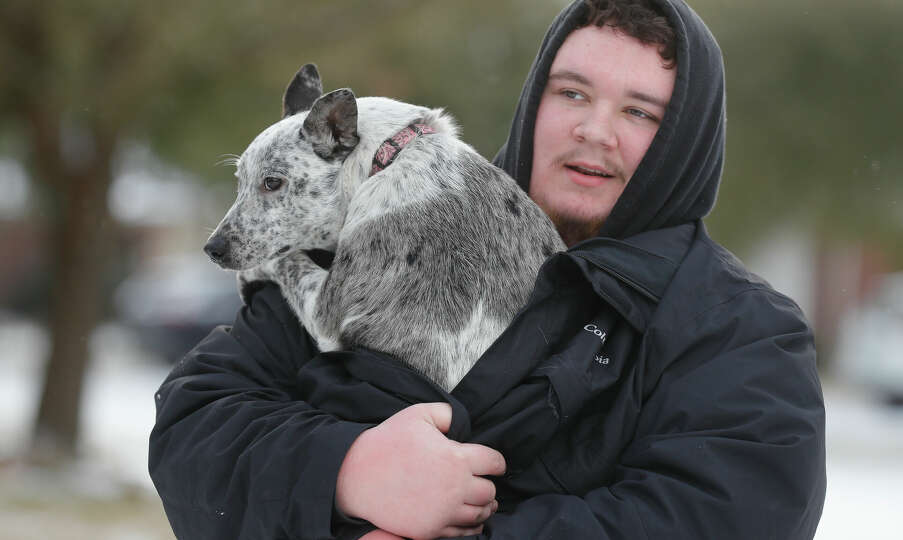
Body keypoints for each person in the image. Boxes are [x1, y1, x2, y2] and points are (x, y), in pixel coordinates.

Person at [149, 0, 827, 539]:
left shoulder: (742, 332)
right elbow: (196, 422)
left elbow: (718, 520)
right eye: (572, 94)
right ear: (535, 103)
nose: (595, 130)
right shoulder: (361, 233)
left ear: (684, 141)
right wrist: (349, 471)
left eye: (639, 111)